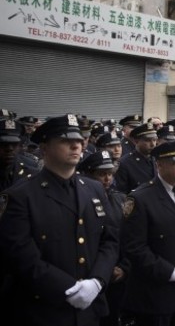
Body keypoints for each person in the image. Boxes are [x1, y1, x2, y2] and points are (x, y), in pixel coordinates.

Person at [0, 114, 119, 326]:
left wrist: (97, 281)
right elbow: (21, 256)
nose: (76, 146)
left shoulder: (94, 188)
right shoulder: (22, 195)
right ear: (44, 148)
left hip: (90, 308)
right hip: (44, 310)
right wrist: (67, 288)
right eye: (66, 141)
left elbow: (109, 240)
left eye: (79, 141)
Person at [121, 139, 175, 326]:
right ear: (159, 164)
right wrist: (170, 272)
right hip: (156, 293)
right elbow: (134, 247)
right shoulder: (140, 198)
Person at [77, 151, 130, 326]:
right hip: (90, 275)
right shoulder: (80, 200)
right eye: (101, 174)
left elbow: (128, 237)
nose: (107, 179)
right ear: (88, 174)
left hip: (117, 274)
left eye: (110, 173)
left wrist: (123, 267)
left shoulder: (121, 199)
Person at [114, 122, 158, 193]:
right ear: (136, 141)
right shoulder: (125, 163)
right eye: (147, 140)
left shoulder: (157, 159)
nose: (153, 144)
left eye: (154, 140)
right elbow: (121, 193)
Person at [0, 118, 39, 191]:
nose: (9, 149)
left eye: (14, 144)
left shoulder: (32, 173)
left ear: (20, 146)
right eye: (4, 144)